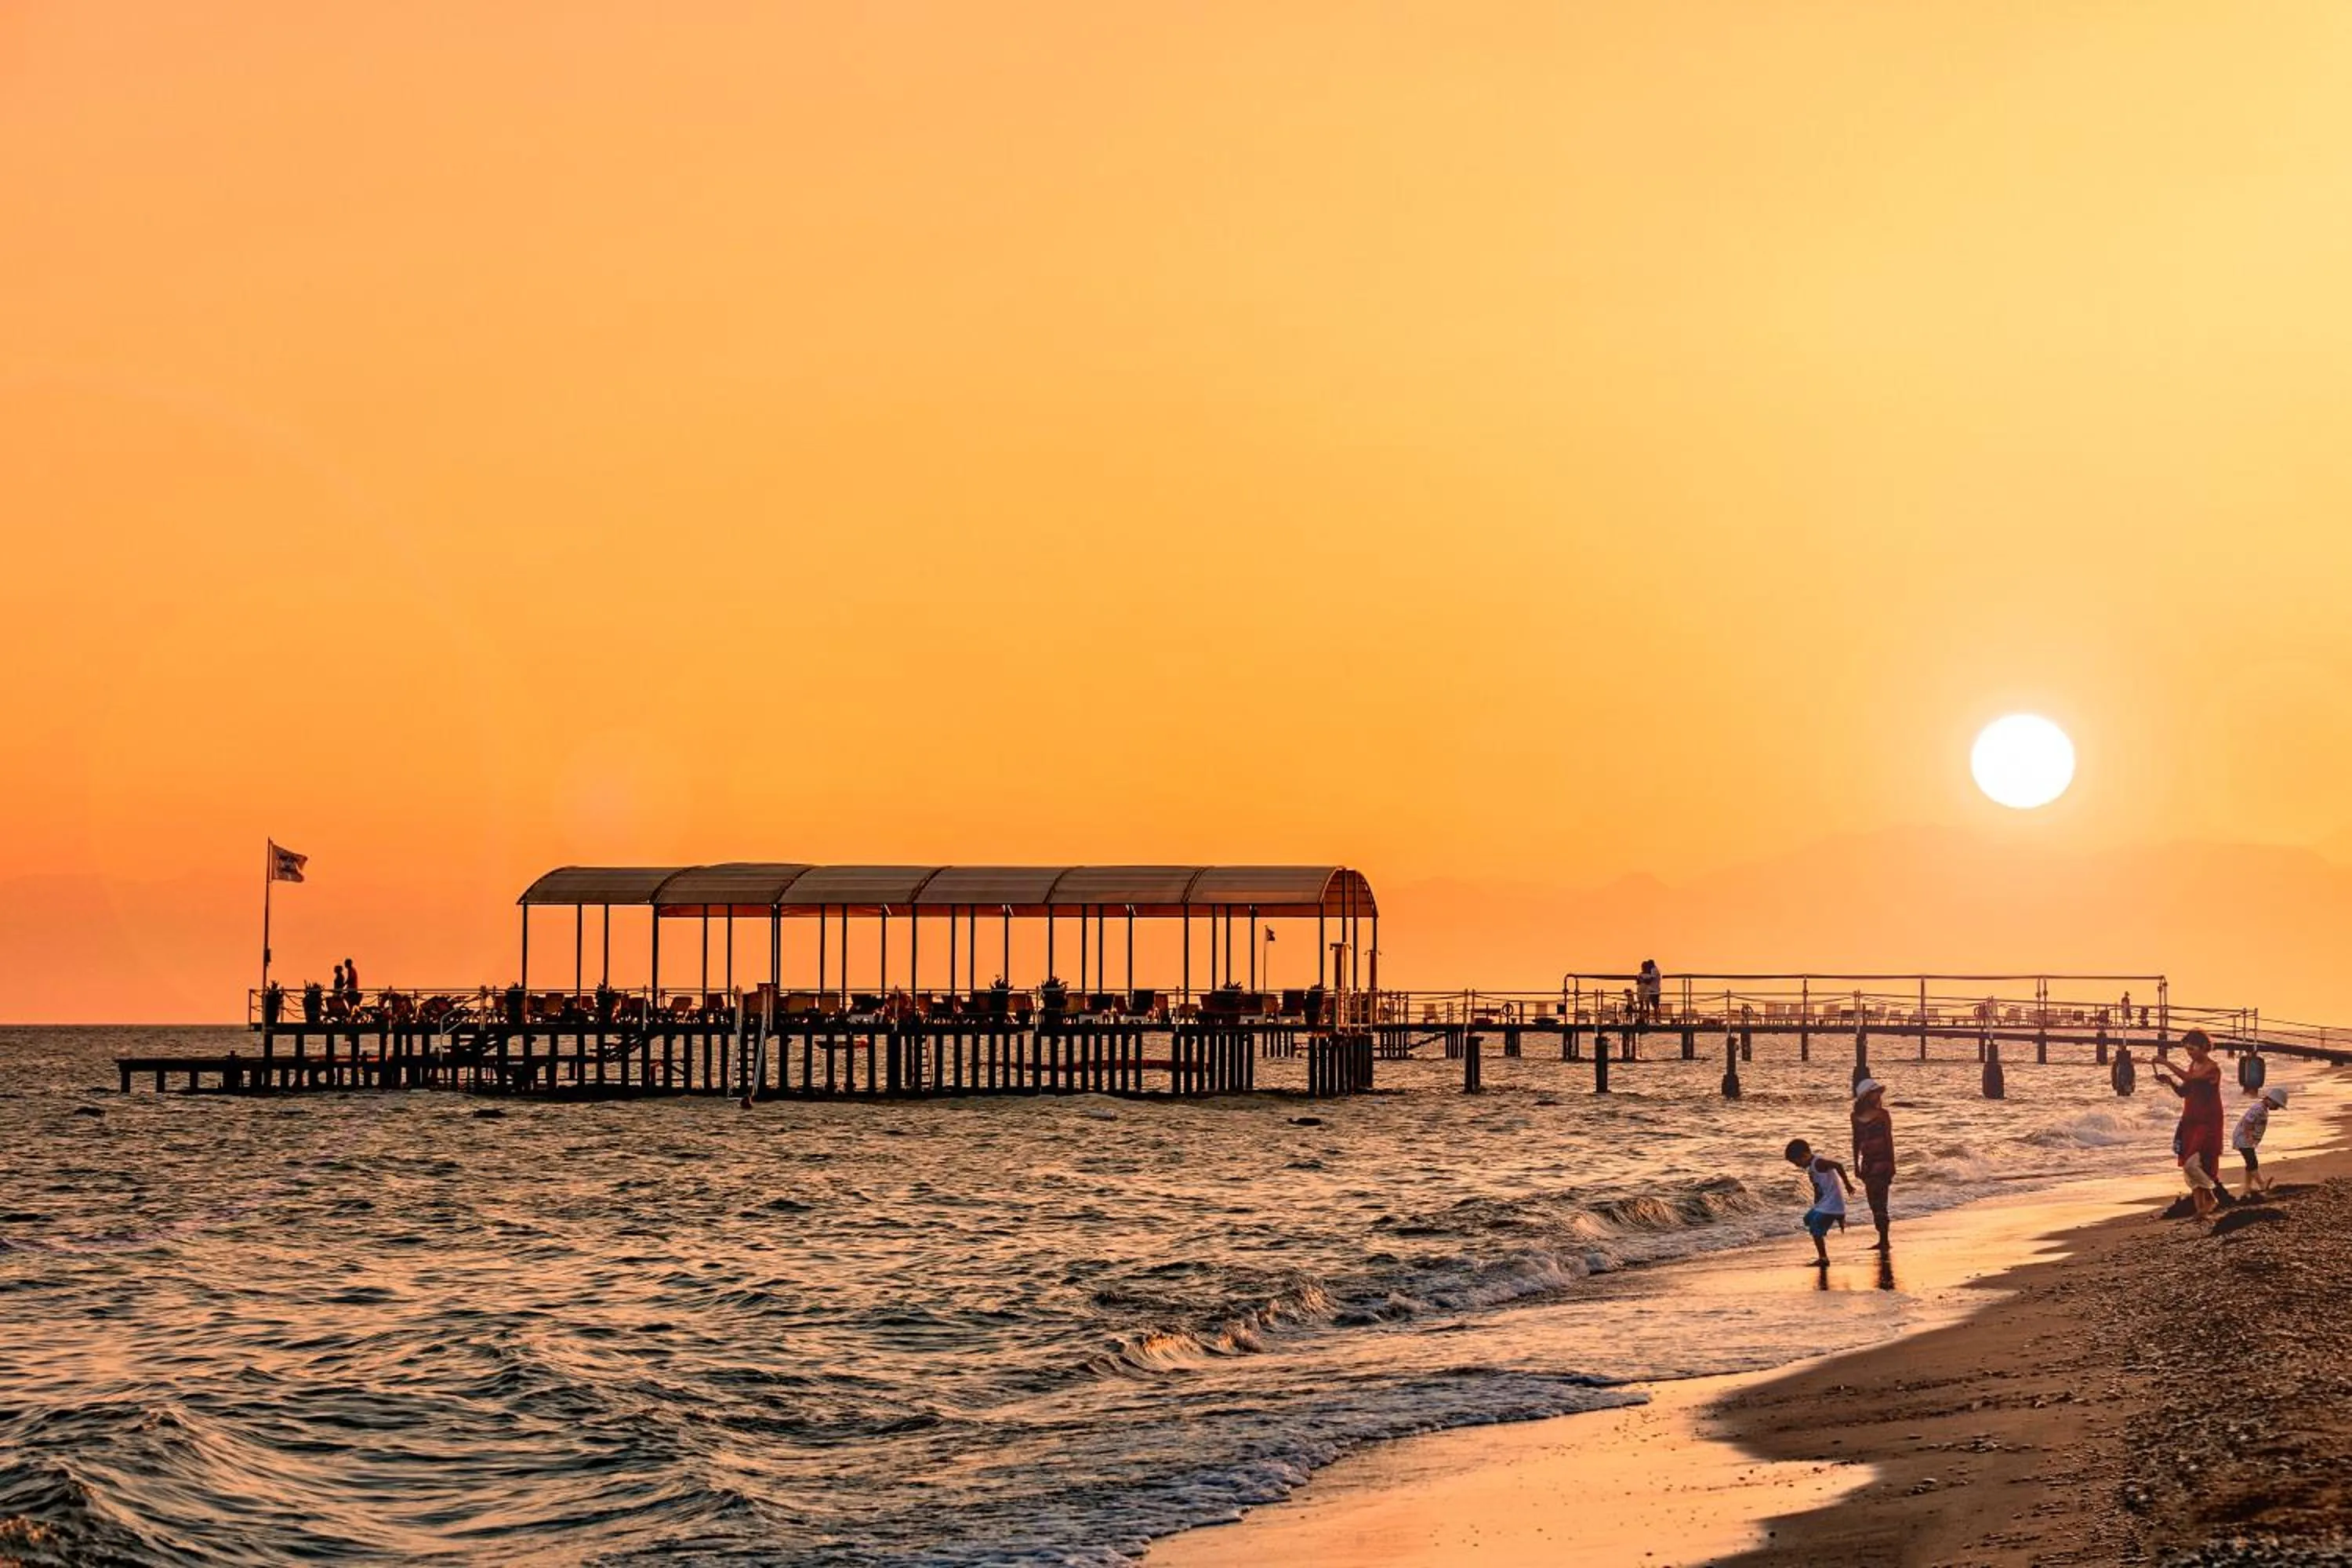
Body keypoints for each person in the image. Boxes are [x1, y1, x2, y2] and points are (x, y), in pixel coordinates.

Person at [2153, 1029, 2227, 1218]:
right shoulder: (2193, 1065)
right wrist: (2169, 1081)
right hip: (2190, 1119)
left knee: (2193, 1164)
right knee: (2189, 1164)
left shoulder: (2213, 1069)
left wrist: (2165, 1062)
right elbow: (2183, 1092)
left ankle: (2211, 1196)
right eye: (2187, 1050)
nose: (2190, 1053)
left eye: (2192, 1049)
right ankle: (2200, 1208)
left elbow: (2190, 1079)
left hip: (2208, 1121)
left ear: (2204, 1047)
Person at [1784, 1138, 1853, 1267]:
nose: (1797, 1166)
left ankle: (1823, 1258)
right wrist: (1816, 1203)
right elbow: (1818, 1188)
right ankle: (1835, 1219)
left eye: (1796, 1162)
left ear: (1804, 1155)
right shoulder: (1812, 1167)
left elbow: (1838, 1165)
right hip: (1826, 1203)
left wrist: (1848, 1184)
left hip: (1832, 1204)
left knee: (1815, 1228)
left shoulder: (1819, 1163)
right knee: (1808, 1219)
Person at [1850, 1078, 1896, 1250]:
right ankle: (1882, 1238)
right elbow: (1855, 1140)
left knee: (1881, 1201)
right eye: (1875, 1093)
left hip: (1882, 1162)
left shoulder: (1883, 1114)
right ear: (1867, 1096)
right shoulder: (1855, 1117)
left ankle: (1884, 1239)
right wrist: (1856, 1163)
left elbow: (1889, 1140)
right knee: (1872, 1202)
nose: (1878, 1096)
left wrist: (1892, 1164)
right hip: (1868, 1163)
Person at [2233, 1083, 2288, 1198]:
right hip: (2244, 1139)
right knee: (2253, 1163)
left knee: (2250, 1164)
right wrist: (2248, 1137)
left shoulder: (2263, 1109)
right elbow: (2248, 1122)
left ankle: (2247, 1188)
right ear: (2269, 1100)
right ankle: (2262, 1184)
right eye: (2276, 1105)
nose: (2276, 1108)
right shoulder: (2258, 1108)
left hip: (2248, 1140)